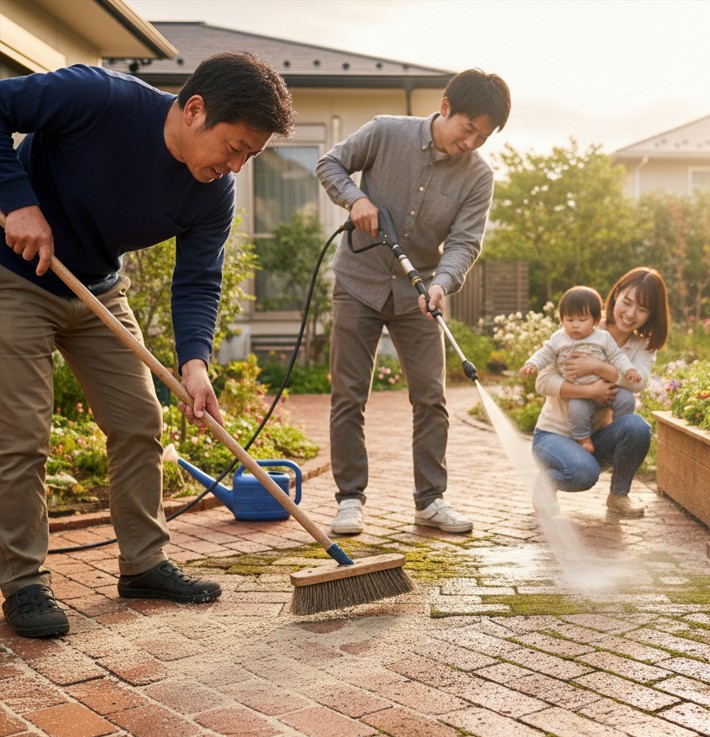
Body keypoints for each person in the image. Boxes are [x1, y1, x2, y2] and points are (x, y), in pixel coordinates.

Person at [0, 52, 295, 638]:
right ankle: (24, 582)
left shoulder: (214, 193)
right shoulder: (98, 97)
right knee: (24, 430)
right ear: (194, 110)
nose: (235, 165)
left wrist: (195, 362)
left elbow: (197, 279)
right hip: (15, 275)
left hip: (98, 290)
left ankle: (143, 563)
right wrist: (16, 199)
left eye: (249, 156)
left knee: (139, 421)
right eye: (234, 146)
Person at [316, 68, 511, 536]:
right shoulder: (385, 132)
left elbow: (465, 243)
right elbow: (330, 164)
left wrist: (443, 283)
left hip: (420, 294)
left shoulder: (479, 177)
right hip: (357, 284)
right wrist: (355, 199)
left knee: (431, 399)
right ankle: (349, 500)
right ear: (446, 107)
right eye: (468, 129)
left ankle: (430, 500)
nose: (471, 143)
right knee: (349, 396)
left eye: (483, 137)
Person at [531, 267, 670, 518]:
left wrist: (597, 367)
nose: (630, 314)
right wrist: (588, 390)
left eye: (642, 309)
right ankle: (547, 482)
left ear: (651, 314)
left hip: (595, 438)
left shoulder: (641, 345)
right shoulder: (582, 324)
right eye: (627, 302)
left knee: (637, 428)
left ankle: (618, 496)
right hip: (553, 435)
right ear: (616, 295)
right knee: (583, 475)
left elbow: (640, 383)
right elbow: (542, 382)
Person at [520, 285, 641, 454]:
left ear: (596, 320)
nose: (575, 325)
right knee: (577, 411)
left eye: (582, 320)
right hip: (578, 391)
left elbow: (617, 356)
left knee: (626, 399)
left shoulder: (603, 338)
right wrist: (532, 364)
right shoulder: (559, 338)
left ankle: (618, 429)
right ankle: (582, 438)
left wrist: (629, 370)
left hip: (605, 386)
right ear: (561, 319)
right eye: (569, 320)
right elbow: (545, 353)